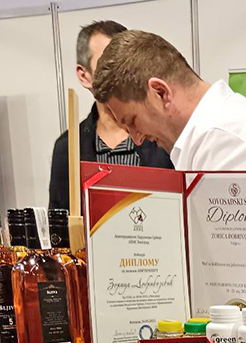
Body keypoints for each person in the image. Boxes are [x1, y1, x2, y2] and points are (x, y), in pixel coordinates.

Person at [92, 30, 246, 312]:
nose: (136, 139)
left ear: (160, 92)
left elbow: (238, 284)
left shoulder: (227, 140)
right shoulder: (217, 133)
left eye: (133, 121)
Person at [48, 21, 172, 211]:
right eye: (106, 64)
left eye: (125, 62)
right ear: (84, 75)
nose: (118, 73)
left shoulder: (161, 135)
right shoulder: (68, 147)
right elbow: (60, 222)